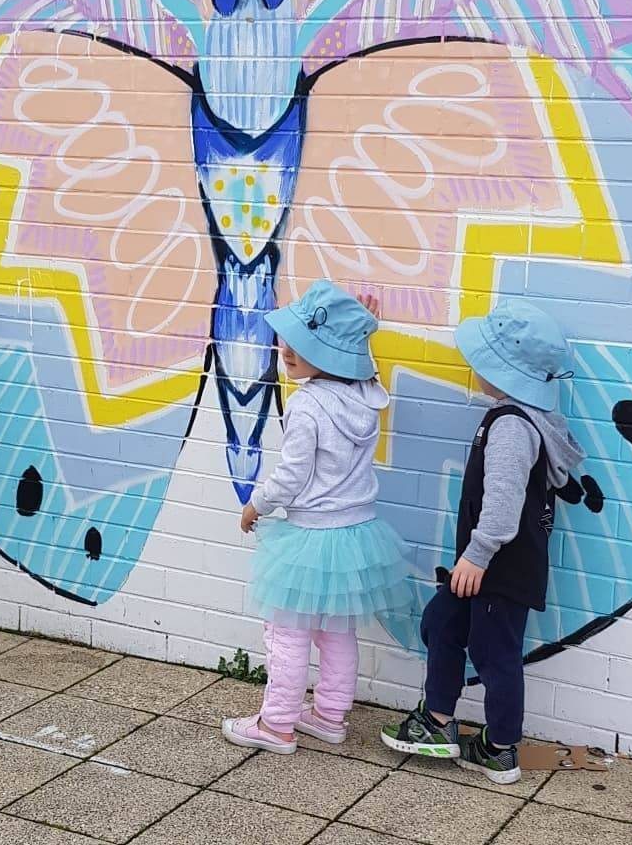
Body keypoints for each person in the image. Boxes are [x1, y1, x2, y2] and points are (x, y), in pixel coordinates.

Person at [381, 298, 585, 784]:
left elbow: (503, 500)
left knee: (496, 654)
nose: (474, 366)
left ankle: (499, 748)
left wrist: (477, 555)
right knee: (442, 624)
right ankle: (439, 722)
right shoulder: (511, 416)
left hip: (496, 566)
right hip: (481, 564)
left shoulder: (514, 426)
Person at [221, 280, 413, 755]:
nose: (286, 349)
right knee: (337, 632)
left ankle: (278, 725)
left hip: (309, 538)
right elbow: (364, 371)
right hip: (353, 533)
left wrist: (256, 504)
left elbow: (290, 477)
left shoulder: (307, 404)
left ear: (328, 353)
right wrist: (361, 332)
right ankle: (329, 716)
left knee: (286, 634)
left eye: (300, 343)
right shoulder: (368, 397)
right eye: (288, 339)